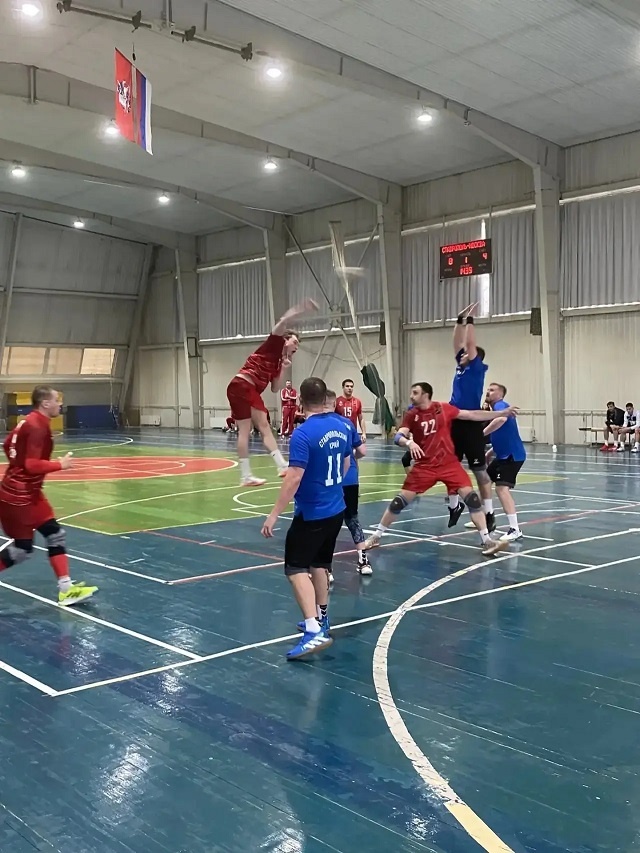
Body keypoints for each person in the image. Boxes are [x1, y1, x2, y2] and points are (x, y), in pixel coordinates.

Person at [364, 382, 517, 558]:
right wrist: (409, 442)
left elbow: (472, 414)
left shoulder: (443, 409)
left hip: (449, 465)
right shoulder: (412, 415)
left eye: (415, 393)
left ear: (426, 395)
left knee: (473, 500)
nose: (411, 396)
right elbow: (399, 436)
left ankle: (487, 541)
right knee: (398, 502)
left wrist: (501, 413)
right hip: (425, 467)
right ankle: (376, 536)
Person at [261, 377, 353, 660]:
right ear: (326, 398)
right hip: (336, 507)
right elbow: (347, 462)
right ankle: (322, 618)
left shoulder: (302, 434)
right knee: (320, 564)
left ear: (300, 401)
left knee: (295, 568)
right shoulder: (342, 426)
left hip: (312, 513)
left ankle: (313, 631)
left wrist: (274, 514)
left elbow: (294, 478)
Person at [0, 386, 98, 605]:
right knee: (22, 549)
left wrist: (17, 467)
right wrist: (60, 465)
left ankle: (66, 589)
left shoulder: (28, 421)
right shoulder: (37, 426)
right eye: (56, 400)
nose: (59, 404)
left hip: (26, 493)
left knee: (55, 534)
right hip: (20, 497)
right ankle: (66, 589)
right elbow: (31, 465)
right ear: (45, 403)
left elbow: (8, 446)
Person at [226, 299, 318, 486]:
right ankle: (282, 465)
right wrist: (302, 308)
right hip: (244, 385)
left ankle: (246, 476)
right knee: (264, 426)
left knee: (245, 431)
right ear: (285, 339)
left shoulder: (278, 362)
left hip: (238, 387)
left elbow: (275, 388)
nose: (296, 347)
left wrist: (283, 367)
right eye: (295, 342)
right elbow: (284, 320)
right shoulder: (274, 343)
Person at [446, 303, 494, 530]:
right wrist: (459, 320)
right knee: (450, 466)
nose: (462, 353)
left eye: (466, 353)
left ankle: (489, 513)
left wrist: (471, 321)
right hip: (454, 422)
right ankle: (454, 506)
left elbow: (469, 344)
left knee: (479, 471)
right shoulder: (460, 366)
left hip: (471, 424)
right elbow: (457, 343)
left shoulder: (476, 368)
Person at [326, 389, 371, 577]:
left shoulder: (317, 424)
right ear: (334, 403)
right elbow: (362, 451)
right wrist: (351, 458)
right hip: (350, 478)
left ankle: (326, 569)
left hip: (329, 481)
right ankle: (363, 561)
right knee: (352, 519)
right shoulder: (347, 424)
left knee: (328, 524)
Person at [481, 383, 526, 543]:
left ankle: (515, 529)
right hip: (502, 455)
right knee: (484, 481)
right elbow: (505, 433)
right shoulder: (495, 409)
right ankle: (487, 517)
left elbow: (500, 420)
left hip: (512, 456)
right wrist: (490, 452)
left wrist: (481, 434)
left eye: (492, 390)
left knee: (501, 489)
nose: (488, 392)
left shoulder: (501, 406)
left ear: (500, 395)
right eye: (488, 389)